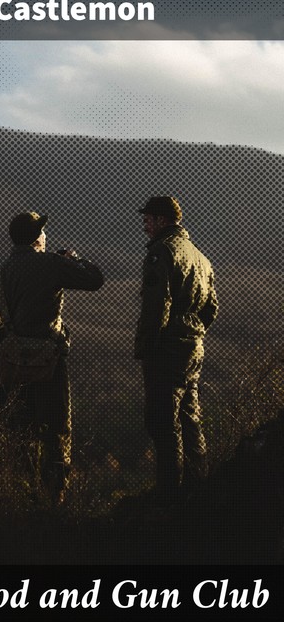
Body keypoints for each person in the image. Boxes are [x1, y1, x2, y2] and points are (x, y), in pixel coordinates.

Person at [0, 211, 104, 504]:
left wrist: (6, 346)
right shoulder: (52, 264)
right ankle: (55, 499)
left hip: (11, 367)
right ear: (37, 239)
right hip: (49, 365)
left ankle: (22, 498)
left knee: (19, 433)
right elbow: (95, 279)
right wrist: (73, 259)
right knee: (56, 430)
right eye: (43, 233)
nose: (46, 237)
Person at [135, 196, 218, 505]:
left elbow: (157, 307)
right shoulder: (201, 257)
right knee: (190, 418)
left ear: (163, 220)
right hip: (192, 349)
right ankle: (199, 487)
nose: (144, 222)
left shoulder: (161, 252)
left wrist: (148, 346)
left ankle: (170, 496)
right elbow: (211, 309)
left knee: (162, 421)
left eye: (149, 218)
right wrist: (192, 334)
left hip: (166, 350)